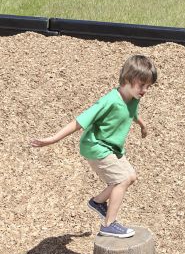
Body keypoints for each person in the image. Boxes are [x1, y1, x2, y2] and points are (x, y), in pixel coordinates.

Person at [31, 55, 157, 238]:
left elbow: (132, 113)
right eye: (142, 85)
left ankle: (97, 202)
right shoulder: (110, 101)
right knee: (121, 180)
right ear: (129, 79)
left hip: (110, 148)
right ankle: (109, 225)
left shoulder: (133, 97)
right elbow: (80, 121)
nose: (145, 90)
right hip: (96, 147)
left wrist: (143, 125)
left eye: (148, 87)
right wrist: (52, 139)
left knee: (130, 176)